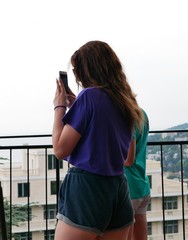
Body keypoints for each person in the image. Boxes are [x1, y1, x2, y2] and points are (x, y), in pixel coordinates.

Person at [52, 40, 144, 240]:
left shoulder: (89, 97)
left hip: (87, 190)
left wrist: (59, 107)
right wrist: (78, 107)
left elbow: (60, 149)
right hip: (119, 190)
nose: (76, 75)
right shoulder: (126, 100)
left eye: (77, 69)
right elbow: (128, 159)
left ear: (89, 68)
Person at [124, 109, 150, 240]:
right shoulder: (141, 113)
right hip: (142, 185)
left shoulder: (126, 116)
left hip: (129, 188)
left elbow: (128, 160)